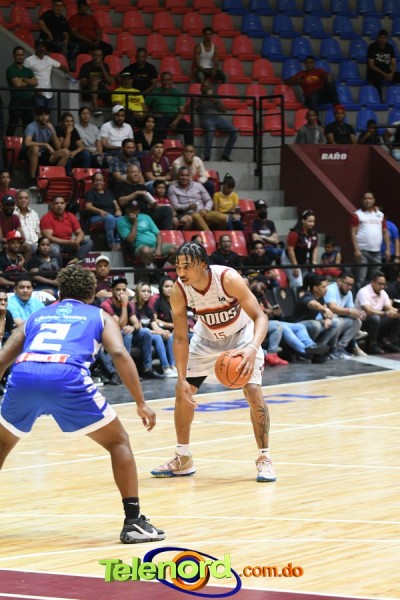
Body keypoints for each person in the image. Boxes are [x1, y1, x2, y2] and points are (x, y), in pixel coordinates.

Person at [0, 265, 165, 543]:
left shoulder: (37, 316)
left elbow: (4, 357)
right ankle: (133, 522)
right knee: (118, 442)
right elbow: (118, 352)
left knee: (2, 444)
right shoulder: (99, 315)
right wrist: (141, 402)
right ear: (91, 295)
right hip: (67, 376)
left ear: (60, 293)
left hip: (25, 374)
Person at [151, 242, 276, 482]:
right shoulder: (179, 290)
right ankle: (183, 458)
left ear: (202, 264)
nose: (181, 271)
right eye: (178, 266)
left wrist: (252, 348)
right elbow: (180, 337)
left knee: (253, 392)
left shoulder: (228, 279)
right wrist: (181, 379)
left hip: (242, 339)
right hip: (205, 341)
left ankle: (264, 458)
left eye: (186, 266)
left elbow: (260, 316)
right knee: (183, 392)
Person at [101, 274, 164, 380]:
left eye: (124, 290)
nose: (121, 293)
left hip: (124, 334)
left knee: (145, 332)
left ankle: (147, 369)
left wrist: (133, 327)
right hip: (112, 337)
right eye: (118, 290)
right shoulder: (106, 305)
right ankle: (126, 370)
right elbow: (120, 325)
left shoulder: (129, 304)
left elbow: (137, 324)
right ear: (111, 291)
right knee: (127, 333)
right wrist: (124, 305)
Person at [290, 273, 341, 361]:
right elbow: (313, 304)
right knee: (316, 325)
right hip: (297, 326)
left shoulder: (320, 297)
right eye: (323, 287)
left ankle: (318, 349)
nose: (326, 289)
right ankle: (306, 351)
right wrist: (325, 310)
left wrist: (328, 319)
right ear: (315, 288)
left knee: (336, 322)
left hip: (310, 325)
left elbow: (326, 311)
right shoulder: (307, 296)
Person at [134, 281, 177, 378]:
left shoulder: (148, 309)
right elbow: (141, 329)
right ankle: (165, 368)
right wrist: (159, 332)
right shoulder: (133, 307)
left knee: (169, 336)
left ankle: (172, 366)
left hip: (149, 335)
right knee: (157, 337)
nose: (146, 294)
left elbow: (154, 326)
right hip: (136, 335)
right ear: (138, 292)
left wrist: (164, 332)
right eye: (143, 291)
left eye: (148, 291)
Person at [116, 198, 175, 269]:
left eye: (135, 210)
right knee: (146, 250)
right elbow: (130, 240)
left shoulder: (146, 217)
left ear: (138, 210)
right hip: (139, 248)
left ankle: (164, 268)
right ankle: (151, 270)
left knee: (179, 249)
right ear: (126, 210)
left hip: (155, 246)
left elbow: (158, 234)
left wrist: (158, 248)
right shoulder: (122, 222)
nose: (133, 212)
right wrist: (135, 223)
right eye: (130, 209)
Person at [115, 164, 173, 231]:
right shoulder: (121, 186)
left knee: (167, 210)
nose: (136, 174)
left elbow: (149, 205)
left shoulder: (142, 187)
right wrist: (136, 193)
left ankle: (166, 235)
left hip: (147, 215)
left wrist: (153, 206)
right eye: (133, 172)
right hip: (132, 216)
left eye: (138, 172)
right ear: (127, 174)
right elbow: (121, 202)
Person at [40, 196, 93, 265]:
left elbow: (80, 232)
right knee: (55, 249)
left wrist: (76, 242)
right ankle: (59, 268)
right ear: (52, 205)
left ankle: (76, 260)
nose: (59, 205)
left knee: (88, 242)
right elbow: (49, 238)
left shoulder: (70, 216)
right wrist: (69, 242)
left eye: (62, 203)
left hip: (69, 244)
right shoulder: (46, 218)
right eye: (56, 203)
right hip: (55, 244)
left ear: (65, 205)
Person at [355, 271, 400, 354]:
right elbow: (368, 310)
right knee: (375, 318)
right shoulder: (364, 292)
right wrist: (385, 313)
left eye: (384, 284)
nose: (382, 286)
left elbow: (389, 308)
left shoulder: (383, 293)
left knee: (396, 317)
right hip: (362, 322)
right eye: (380, 284)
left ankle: (389, 342)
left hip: (378, 319)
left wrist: (397, 312)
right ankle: (371, 345)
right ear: (372, 282)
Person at [22, 107, 69, 185]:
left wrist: (53, 132)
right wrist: (46, 144)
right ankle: (32, 180)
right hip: (30, 153)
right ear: (36, 116)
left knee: (65, 152)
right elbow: (27, 143)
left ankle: (55, 179)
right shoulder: (31, 126)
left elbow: (58, 147)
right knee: (35, 149)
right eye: (41, 115)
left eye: (46, 115)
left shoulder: (50, 127)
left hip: (44, 153)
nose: (44, 117)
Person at [144, 72, 193, 146]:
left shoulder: (178, 92)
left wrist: (175, 121)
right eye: (164, 80)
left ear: (172, 81)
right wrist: (151, 115)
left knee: (188, 128)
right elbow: (144, 105)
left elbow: (182, 110)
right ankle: (161, 150)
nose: (166, 82)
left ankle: (189, 149)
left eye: (168, 80)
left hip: (175, 117)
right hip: (161, 117)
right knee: (160, 128)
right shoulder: (155, 92)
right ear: (161, 81)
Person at [351, 192, 390, 284]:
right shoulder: (357, 214)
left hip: (377, 252)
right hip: (362, 251)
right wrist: (356, 250)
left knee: (376, 279)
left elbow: (385, 232)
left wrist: (388, 249)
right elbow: (353, 233)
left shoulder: (380, 215)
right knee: (361, 278)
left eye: (370, 198)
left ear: (374, 200)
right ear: (362, 201)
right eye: (365, 199)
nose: (367, 201)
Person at [24, 39, 73, 111]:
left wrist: (68, 73)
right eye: (39, 46)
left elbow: (62, 67)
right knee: (39, 115)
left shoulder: (48, 59)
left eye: (43, 46)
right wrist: (34, 90)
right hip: (38, 95)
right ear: (35, 47)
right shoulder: (28, 60)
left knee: (47, 116)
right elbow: (24, 77)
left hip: (49, 95)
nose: (41, 48)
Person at [194, 80, 238, 162]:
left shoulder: (215, 97)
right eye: (205, 86)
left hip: (217, 119)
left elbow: (224, 110)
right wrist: (201, 100)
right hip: (205, 119)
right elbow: (191, 109)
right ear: (201, 88)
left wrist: (215, 101)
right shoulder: (197, 98)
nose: (207, 88)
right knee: (211, 129)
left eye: (209, 87)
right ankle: (207, 157)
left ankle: (225, 155)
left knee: (234, 130)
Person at [324, 271, 363, 358]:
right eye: (347, 284)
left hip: (338, 318)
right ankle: (332, 348)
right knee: (337, 321)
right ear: (339, 281)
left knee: (357, 322)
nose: (349, 287)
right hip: (327, 319)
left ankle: (341, 346)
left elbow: (351, 309)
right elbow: (332, 308)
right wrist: (349, 311)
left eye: (351, 285)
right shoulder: (331, 289)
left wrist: (358, 314)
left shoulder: (348, 292)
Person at [84, 172, 122, 251]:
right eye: (96, 180)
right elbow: (88, 206)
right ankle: (111, 242)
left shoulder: (109, 192)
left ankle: (119, 242)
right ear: (93, 182)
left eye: (100, 180)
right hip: (95, 217)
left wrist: (118, 210)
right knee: (110, 218)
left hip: (110, 215)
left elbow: (115, 204)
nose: (98, 183)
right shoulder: (91, 193)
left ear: (104, 182)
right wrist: (100, 211)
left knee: (121, 219)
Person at [168, 166, 213, 230]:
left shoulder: (198, 185)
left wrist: (206, 209)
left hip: (203, 211)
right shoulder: (173, 188)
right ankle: (209, 235)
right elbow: (175, 206)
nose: (184, 177)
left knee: (222, 217)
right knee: (196, 215)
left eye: (187, 175)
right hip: (187, 213)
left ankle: (222, 235)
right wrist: (188, 206)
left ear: (190, 176)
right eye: (182, 175)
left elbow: (209, 200)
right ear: (178, 176)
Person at [282, 209, 318, 287]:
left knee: (306, 281)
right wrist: (295, 266)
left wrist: (314, 261)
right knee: (298, 283)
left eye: (313, 221)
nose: (312, 224)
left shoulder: (313, 233)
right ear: (303, 220)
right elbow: (290, 250)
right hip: (290, 259)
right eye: (309, 221)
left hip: (303, 260)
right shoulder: (294, 234)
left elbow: (315, 247)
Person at [39, 0, 79, 71]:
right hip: (48, 40)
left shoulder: (62, 19)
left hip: (59, 39)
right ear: (53, 6)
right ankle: (65, 68)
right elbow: (41, 22)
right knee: (62, 47)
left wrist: (66, 39)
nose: (58, 8)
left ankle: (70, 65)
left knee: (76, 46)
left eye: (60, 6)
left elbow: (65, 32)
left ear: (63, 7)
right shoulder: (48, 14)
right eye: (56, 5)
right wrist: (48, 33)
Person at [6, 46, 38, 136]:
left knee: (28, 127)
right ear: (14, 56)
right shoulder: (11, 69)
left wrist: (23, 79)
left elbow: (35, 82)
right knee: (12, 126)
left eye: (22, 55)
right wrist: (29, 81)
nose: (20, 57)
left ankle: (26, 145)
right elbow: (17, 84)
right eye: (18, 55)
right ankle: (7, 145)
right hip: (17, 100)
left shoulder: (28, 70)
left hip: (29, 101)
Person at [367, 29, 400, 102]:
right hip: (374, 72)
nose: (382, 40)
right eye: (381, 38)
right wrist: (385, 74)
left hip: (386, 72)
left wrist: (392, 74)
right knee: (376, 78)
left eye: (384, 38)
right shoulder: (372, 47)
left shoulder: (390, 47)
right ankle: (380, 100)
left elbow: (394, 63)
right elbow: (371, 65)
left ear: (387, 39)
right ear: (378, 38)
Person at [78, 48, 113, 116]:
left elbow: (110, 82)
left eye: (99, 56)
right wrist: (91, 80)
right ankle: (95, 107)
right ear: (92, 56)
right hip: (88, 91)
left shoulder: (105, 65)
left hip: (101, 91)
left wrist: (102, 68)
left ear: (102, 56)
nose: (97, 58)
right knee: (94, 81)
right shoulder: (86, 66)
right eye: (95, 55)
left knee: (115, 97)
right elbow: (82, 83)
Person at [251, 200, 282, 264]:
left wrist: (264, 237)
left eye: (264, 208)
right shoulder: (255, 223)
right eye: (260, 209)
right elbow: (255, 239)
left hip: (272, 247)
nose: (263, 210)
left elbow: (276, 240)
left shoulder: (271, 223)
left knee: (281, 251)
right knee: (273, 252)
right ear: (257, 210)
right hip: (262, 247)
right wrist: (270, 239)